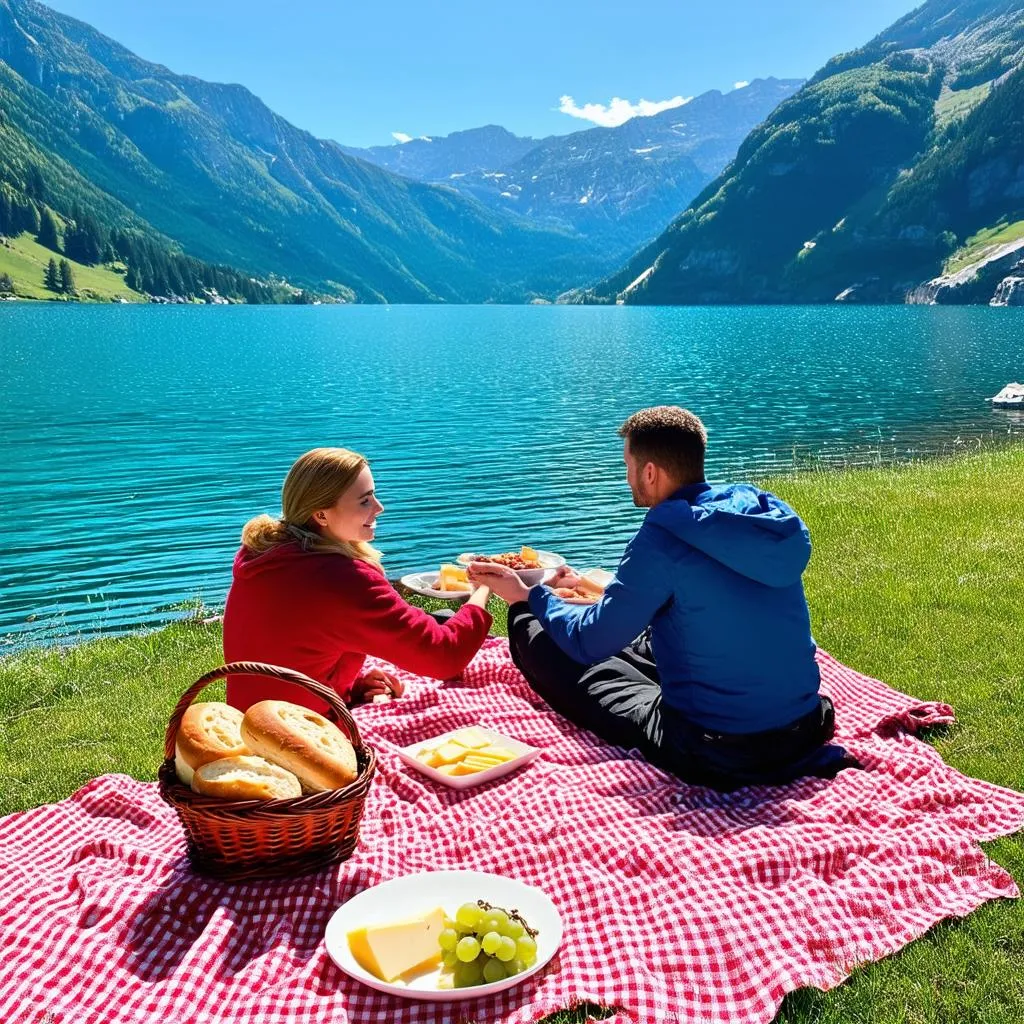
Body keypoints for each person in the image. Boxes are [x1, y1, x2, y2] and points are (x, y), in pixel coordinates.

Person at [468, 406, 851, 791]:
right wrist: (583, 593)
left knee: (546, 639)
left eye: (628, 466)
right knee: (649, 637)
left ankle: (523, 613)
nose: (626, 477)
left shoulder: (662, 538)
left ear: (649, 471)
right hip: (805, 728)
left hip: (721, 751)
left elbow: (589, 642)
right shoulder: (758, 513)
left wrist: (528, 596)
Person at [223, 447, 492, 712]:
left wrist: (349, 687)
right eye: (365, 500)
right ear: (321, 515)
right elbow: (445, 656)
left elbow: (288, 655)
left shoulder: (264, 557)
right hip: (304, 739)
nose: (379, 508)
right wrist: (482, 588)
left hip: (248, 724)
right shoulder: (341, 579)